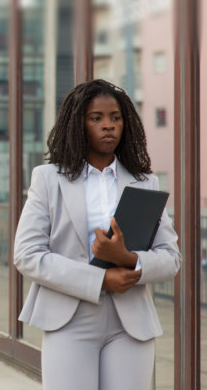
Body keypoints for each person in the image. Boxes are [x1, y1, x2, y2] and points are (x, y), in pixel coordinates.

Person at [14, 79, 180, 390]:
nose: (108, 126)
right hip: (69, 318)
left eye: (115, 118)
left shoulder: (144, 182)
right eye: (96, 118)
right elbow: (27, 255)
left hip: (129, 323)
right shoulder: (49, 179)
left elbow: (171, 259)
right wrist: (101, 279)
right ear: (79, 123)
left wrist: (128, 260)